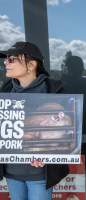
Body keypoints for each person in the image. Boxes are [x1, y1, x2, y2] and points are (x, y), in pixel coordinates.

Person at [0, 41, 69, 200]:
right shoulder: (5, 91)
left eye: (11, 59)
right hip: (12, 172)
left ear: (31, 65)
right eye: (6, 59)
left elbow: (67, 132)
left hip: (40, 174)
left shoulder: (55, 91)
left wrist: (49, 154)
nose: (5, 62)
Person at [61, 55, 86, 200]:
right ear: (81, 68)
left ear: (67, 68)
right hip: (85, 139)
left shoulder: (58, 86)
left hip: (62, 140)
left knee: (64, 178)